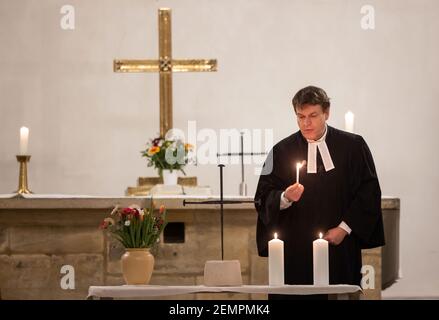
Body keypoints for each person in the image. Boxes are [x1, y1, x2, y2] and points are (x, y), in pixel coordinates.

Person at [254, 86, 385, 300]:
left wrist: (344, 229)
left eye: (313, 116)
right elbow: (262, 197)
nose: (306, 123)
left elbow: (368, 193)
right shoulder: (281, 151)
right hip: (295, 251)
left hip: (338, 247)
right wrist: (284, 197)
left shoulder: (353, 146)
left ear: (327, 112)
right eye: (300, 116)